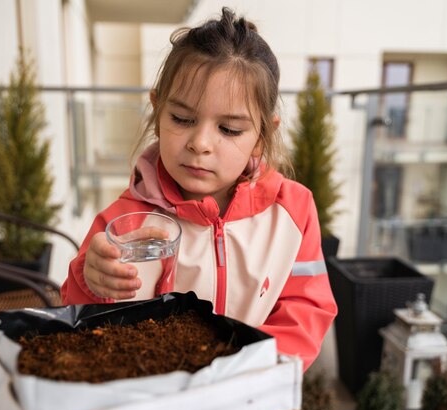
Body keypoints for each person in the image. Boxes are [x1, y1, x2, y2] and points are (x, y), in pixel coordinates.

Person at [62, 7, 337, 369]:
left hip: (247, 394)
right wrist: (90, 279)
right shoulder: (123, 222)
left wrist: (247, 371)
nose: (200, 143)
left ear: (261, 136)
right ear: (158, 110)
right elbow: (78, 324)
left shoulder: (294, 210)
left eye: (229, 129)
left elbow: (306, 310)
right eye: (182, 119)